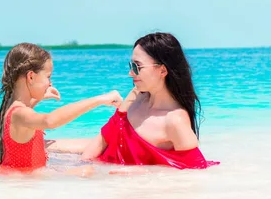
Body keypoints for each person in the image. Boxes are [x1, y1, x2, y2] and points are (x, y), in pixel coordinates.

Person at [48, 33, 219, 170]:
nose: (131, 73)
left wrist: (135, 172)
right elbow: (106, 136)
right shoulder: (136, 95)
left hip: (125, 181)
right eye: (131, 66)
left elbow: (194, 172)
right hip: (102, 164)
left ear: (162, 70)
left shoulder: (175, 120)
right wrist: (84, 165)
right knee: (40, 147)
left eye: (137, 67)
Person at [0, 42, 123, 173]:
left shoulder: (12, 107)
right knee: (87, 170)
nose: (50, 83)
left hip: (26, 176)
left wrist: (39, 97)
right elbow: (49, 121)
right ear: (31, 77)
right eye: (48, 77)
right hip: (27, 183)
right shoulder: (19, 114)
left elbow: (25, 107)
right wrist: (100, 99)